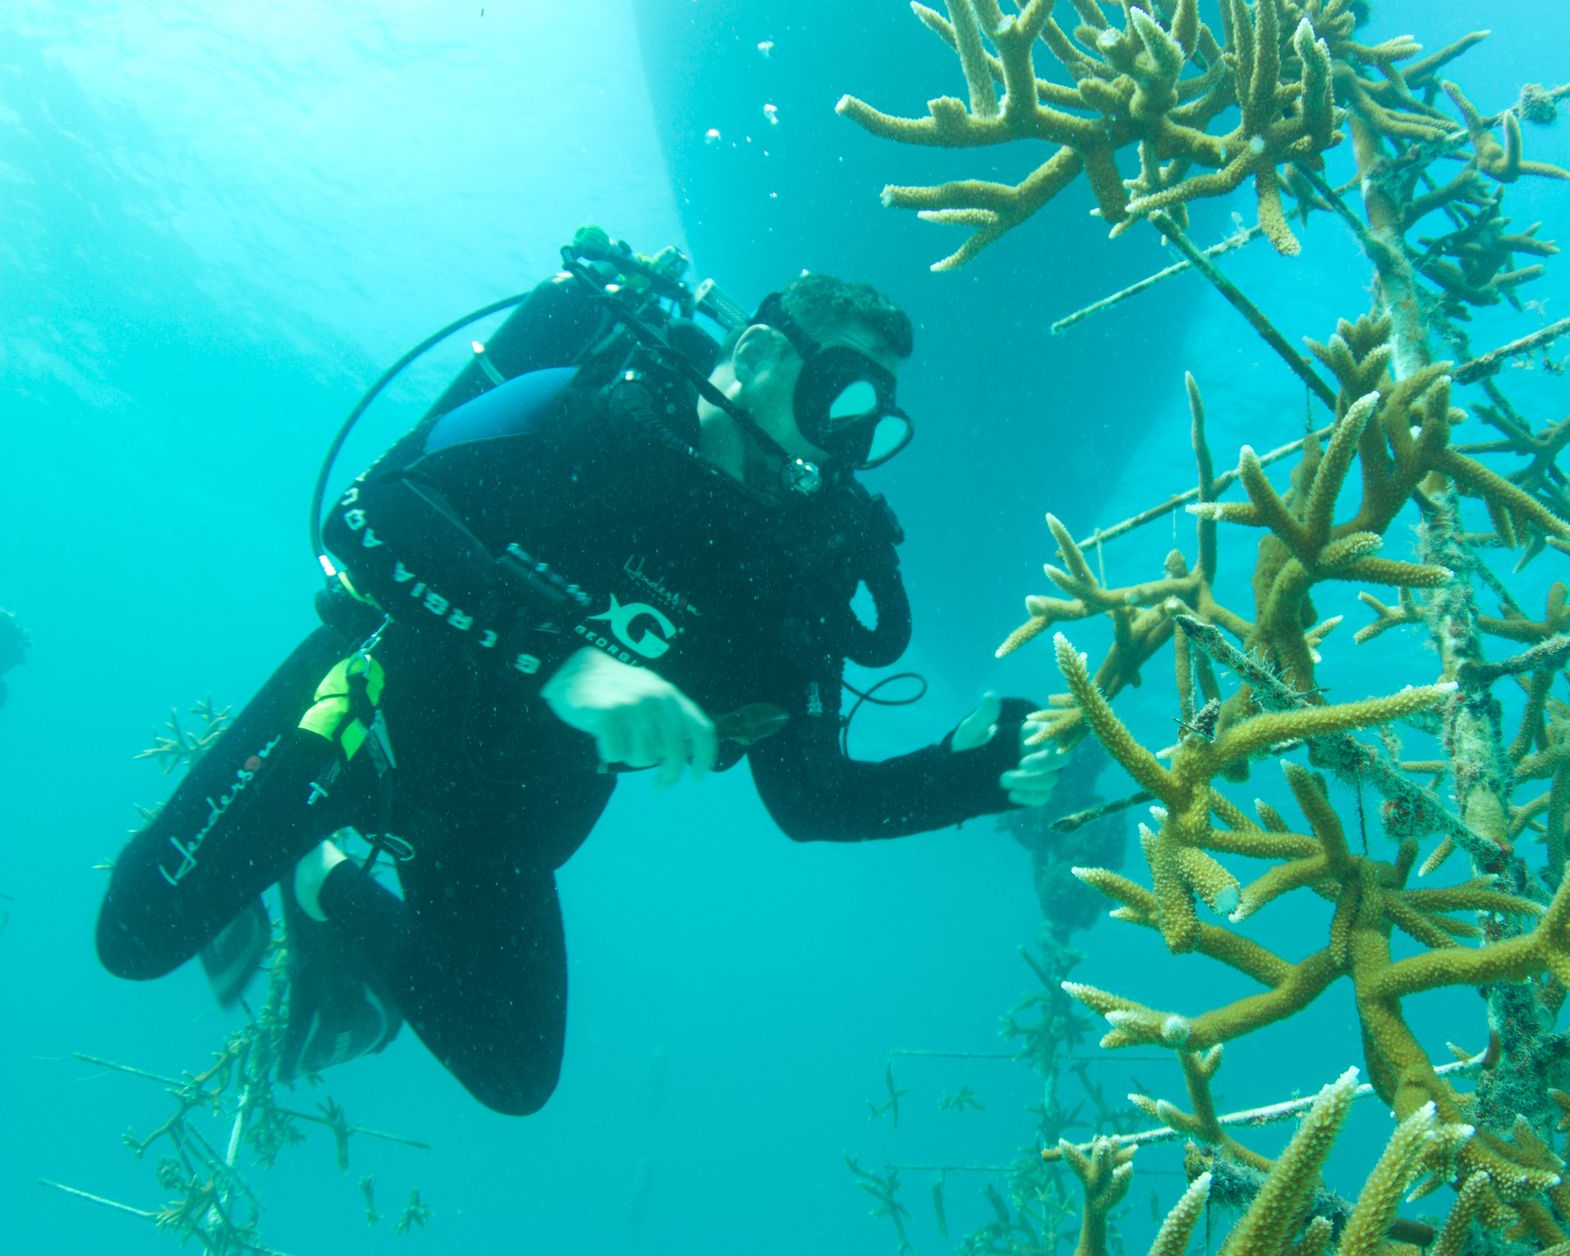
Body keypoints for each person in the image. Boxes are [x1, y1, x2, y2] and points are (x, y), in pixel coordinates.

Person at [95, 270, 1066, 1115]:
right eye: (842, 391)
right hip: (359, 725)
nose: (848, 438)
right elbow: (367, 516)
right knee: (135, 938)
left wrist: (972, 775)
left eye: (875, 420)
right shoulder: (590, 409)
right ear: (760, 352)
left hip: (499, 827)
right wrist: (566, 662)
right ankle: (305, 837)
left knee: (513, 1073)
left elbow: (812, 799)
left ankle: (320, 876)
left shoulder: (798, 563)